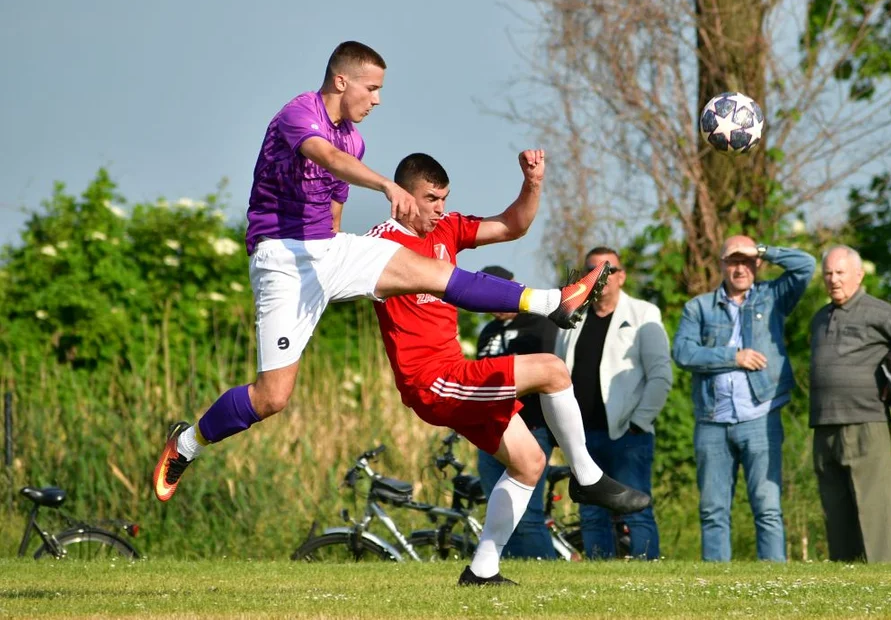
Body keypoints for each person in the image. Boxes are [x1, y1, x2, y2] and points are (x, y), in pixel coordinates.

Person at [153, 41, 611, 506]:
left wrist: (341, 276)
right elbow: (327, 158)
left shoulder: (354, 138)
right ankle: (186, 443)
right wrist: (384, 184)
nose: (377, 99)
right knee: (272, 397)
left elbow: (333, 209)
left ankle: (552, 301)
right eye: (372, 88)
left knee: (435, 272)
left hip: (328, 251)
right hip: (283, 261)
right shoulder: (299, 114)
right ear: (341, 81)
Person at [367, 153, 651, 585]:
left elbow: (513, 224)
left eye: (444, 198)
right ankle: (587, 476)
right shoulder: (378, 245)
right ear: (404, 195)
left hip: (455, 372)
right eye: (430, 199)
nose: (440, 208)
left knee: (529, 462)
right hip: (429, 381)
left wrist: (532, 182)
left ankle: (482, 570)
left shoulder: (446, 228)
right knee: (553, 369)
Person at [672, 237, 814, 562]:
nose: (740, 268)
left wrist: (763, 249)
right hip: (712, 421)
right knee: (713, 510)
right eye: (733, 261)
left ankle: (774, 585)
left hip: (760, 418)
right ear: (721, 264)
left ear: (757, 264)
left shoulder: (772, 297)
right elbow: (682, 352)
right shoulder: (699, 307)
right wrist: (733, 357)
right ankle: (717, 584)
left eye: (747, 261)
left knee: (767, 508)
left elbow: (806, 265)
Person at [809, 245, 891, 563]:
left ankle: (882, 575)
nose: (834, 280)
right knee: (836, 509)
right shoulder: (819, 318)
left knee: (873, 507)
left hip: (866, 420)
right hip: (825, 423)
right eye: (828, 273)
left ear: (858, 274)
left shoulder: (876, 310)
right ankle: (846, 575)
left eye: (840, 273)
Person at [554, 246, 672, 560]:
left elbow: (660, 375)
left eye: (610, 270)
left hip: (627, 435)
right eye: (594, 270)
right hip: (582, 435)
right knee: (591, 512)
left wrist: (639, 422)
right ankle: (600, 575)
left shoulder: (643, 314)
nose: (602, 277)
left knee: (636, 510)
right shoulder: (572, 315)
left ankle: (648, 575)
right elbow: (556, 371)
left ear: (621, 276)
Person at [473, 265, 559, 560]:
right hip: (491, 432)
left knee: (529, 514)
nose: (492, 304)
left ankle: (546, 571)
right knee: (499, 509)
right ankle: (499, 567)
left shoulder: (540, 324)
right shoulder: (488, 332)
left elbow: (546, 374)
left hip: (530, 428)